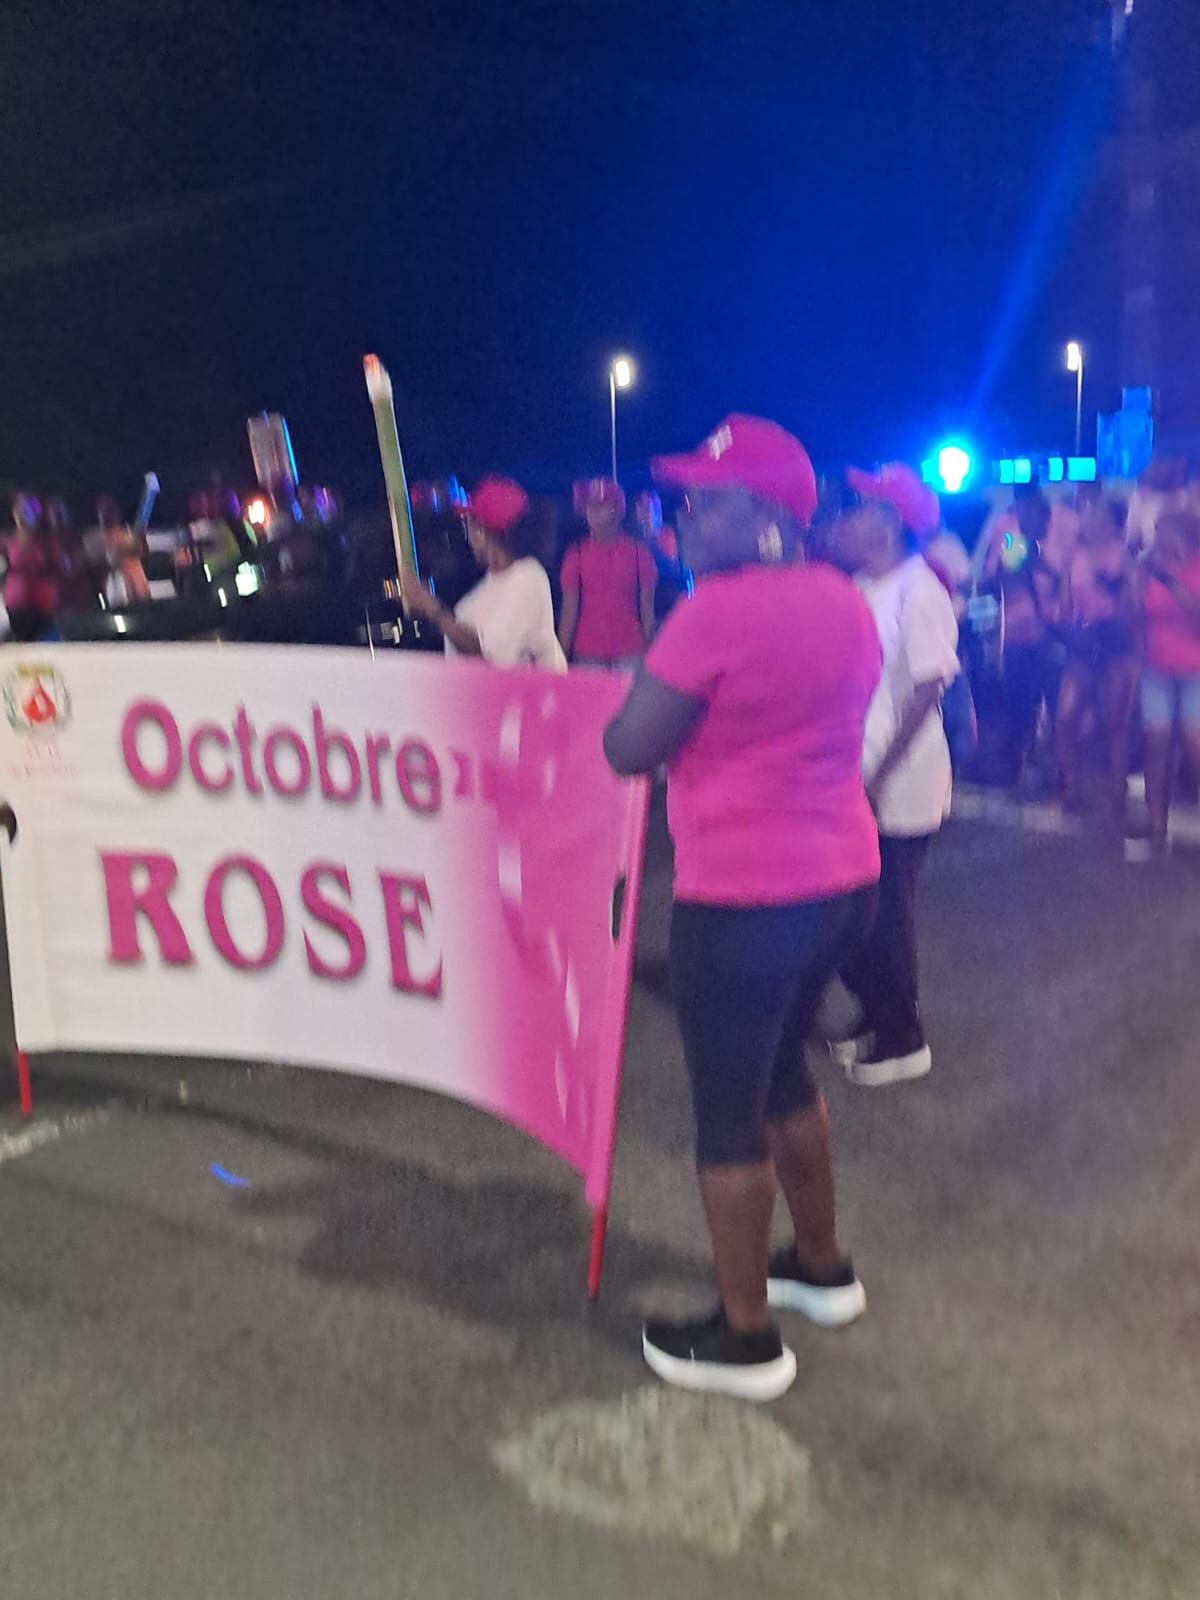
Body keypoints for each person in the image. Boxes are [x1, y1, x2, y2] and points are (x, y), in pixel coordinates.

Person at [604, 415, 881, 1401]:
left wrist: (654, 682)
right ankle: (821, 1266)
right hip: (842, 880)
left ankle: (745, 1337)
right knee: (784, 1073)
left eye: (704, 500)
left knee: (728, 1110)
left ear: (768, 517)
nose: (681, 516)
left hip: (743, 896)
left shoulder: (710, 614)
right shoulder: (845, 600)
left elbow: (628, 747)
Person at [832, 493, 960, 1088]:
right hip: (856, 770)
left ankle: (905, 1040)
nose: (844, 521)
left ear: (887, 525)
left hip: (900, 779)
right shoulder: (861, 586)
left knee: (884, 913)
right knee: (852, 912)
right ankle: (877, 1011)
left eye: (857, 510)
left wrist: (879, 774)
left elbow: (930, 687)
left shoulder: (918, 588)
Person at [400, 476, 565, 671]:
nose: (466, 535)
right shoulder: (475, 598)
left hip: (534, 692)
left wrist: (431, 607)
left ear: (481, 530)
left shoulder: (529, 577)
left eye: (468, 523)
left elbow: (489, 659)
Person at [1056, 497, 1139, 821]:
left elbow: (1132, 607)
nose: (1090, 521)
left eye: (1098, 516)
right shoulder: (1075, 555)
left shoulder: (1123, 557)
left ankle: (1116, 797)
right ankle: (1069, 791)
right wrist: (1071, 626)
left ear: (1113, 525)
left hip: (1114, 647)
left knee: (1114, 724)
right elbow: (1065, 604)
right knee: (1066, 718)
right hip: (1082, 646)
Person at [978, 491, 1064, 791]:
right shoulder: (1011, 543)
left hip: (1050, 639)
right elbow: (989, 581)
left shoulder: (1058, 546)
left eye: (1033, 514)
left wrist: (1042, 565)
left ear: (1045, 518)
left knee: (1055, 710)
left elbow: (1064, 583)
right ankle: (1019, 769)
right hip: (1016, 639)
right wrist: (1008, 566)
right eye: (1023, 513)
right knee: (1019, 707)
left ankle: (1055, 772)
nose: (1026, 519)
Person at [1138, 509, 1200, 851]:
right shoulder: (1149, 570)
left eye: (1164, 532)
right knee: (1156, 745)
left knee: (1195, 747)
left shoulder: (1195, 568)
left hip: (1194, 669)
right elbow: (1136, 613)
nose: (1158, 539)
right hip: (1157, 668)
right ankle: (1156, 823)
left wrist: (1168, 579)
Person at [558, 477, 656, 666]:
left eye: (601, 505)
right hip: (588, 651)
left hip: (631, 651)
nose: (593, 511)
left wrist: (652, 659)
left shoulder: (639, 554)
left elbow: (647, 612)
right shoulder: (575, 555)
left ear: (618, 510)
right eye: (589, 505)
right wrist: (559, 662)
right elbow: (568, 614)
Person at [2, 494, 61, 642]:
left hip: (40, 605)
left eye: (26, 510)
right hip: (14, 606)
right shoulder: (6, 540)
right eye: (19, 510)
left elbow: (57, 569)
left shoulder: (46, 541)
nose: (22, 514)